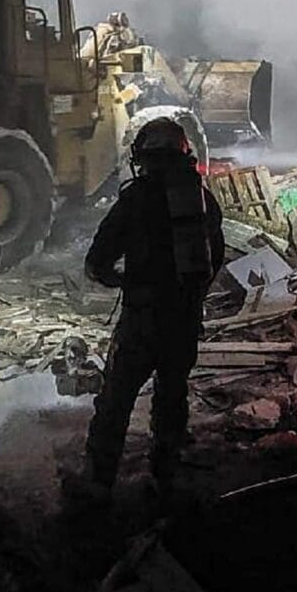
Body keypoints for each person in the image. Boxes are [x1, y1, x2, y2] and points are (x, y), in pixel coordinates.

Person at [75, 117, 225, 497]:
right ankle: (165, 475)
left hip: (142, 320)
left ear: (143, 157)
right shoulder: (202, 200)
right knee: (172, 394)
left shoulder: (135, 199)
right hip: (184, 320)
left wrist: (122, 280)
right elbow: (215, 259)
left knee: (116, 400)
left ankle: (98, 482)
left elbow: (97, 261)